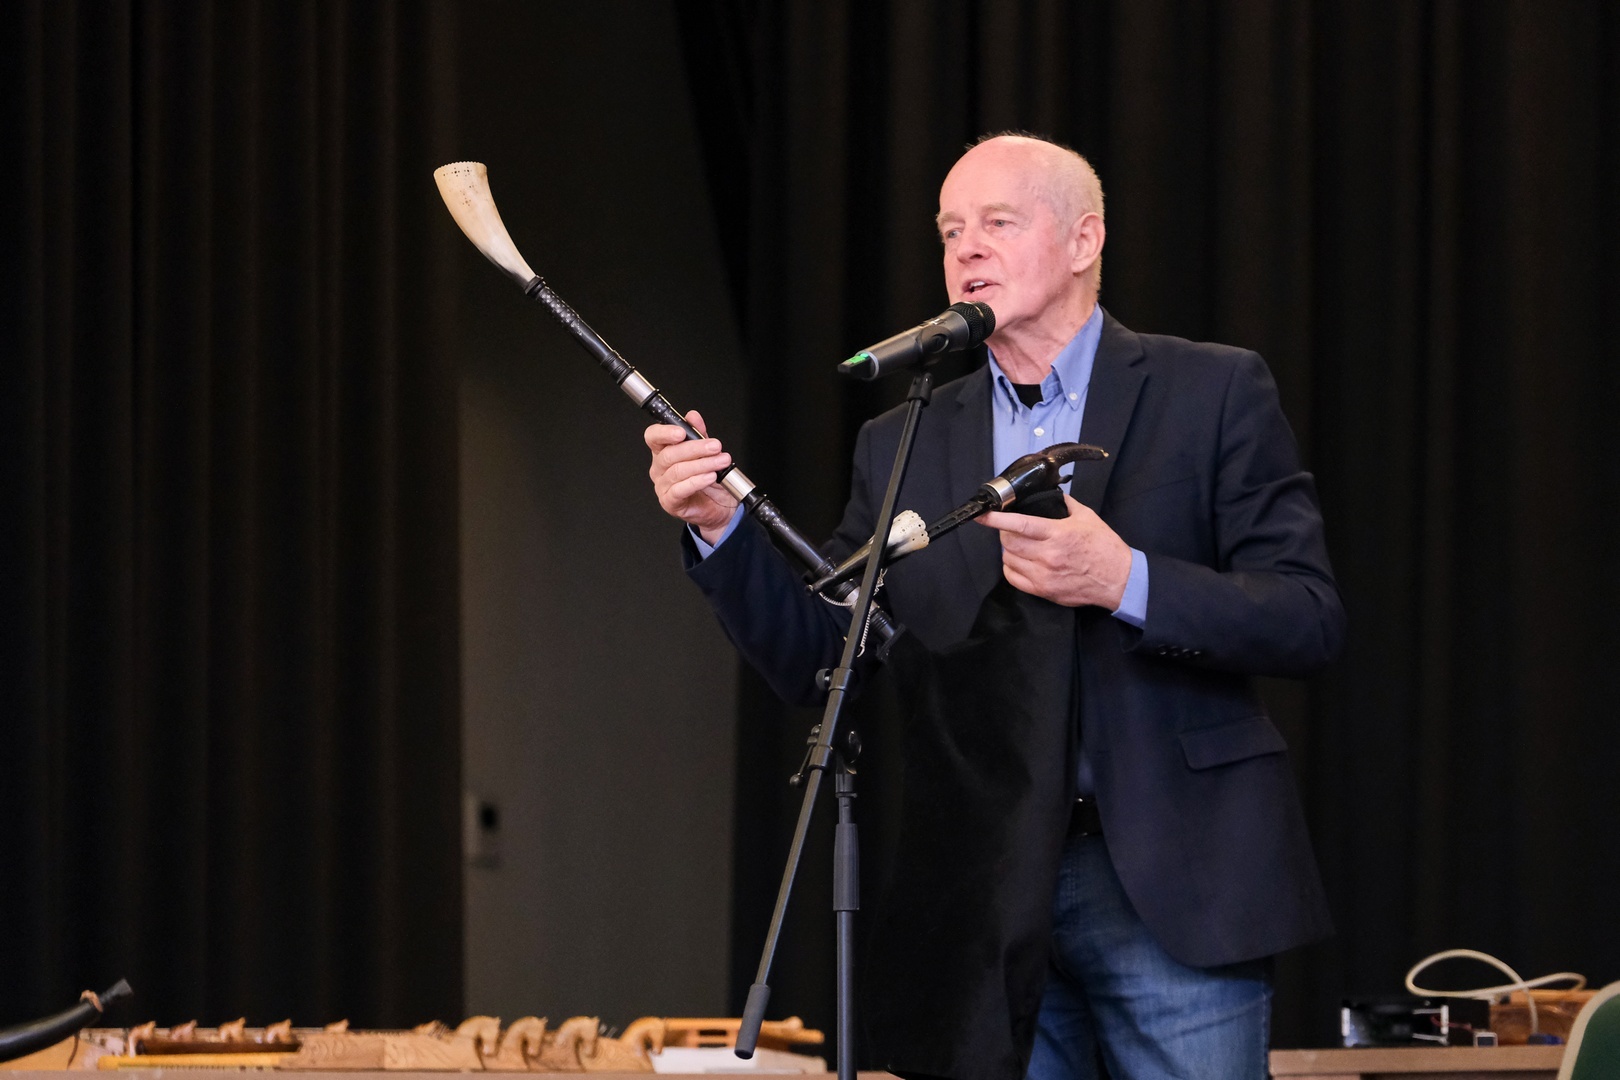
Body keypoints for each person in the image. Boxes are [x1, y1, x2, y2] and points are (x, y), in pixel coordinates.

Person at [644, 134, 1345, 1080]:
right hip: (985, 889)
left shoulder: (1212, 389)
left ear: (1084, 240)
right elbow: (825, 656)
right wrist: (719, 526)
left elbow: (1306, 616)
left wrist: (1124, 578)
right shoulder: (906, 436)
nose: (966, 247)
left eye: (998, 222)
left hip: (1173, 877)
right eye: (949, 230)